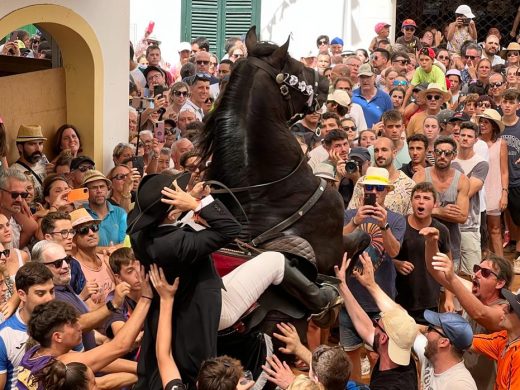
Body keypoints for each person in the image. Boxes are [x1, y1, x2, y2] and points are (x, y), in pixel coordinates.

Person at [421, 228, 513, 389]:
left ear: (499, 283)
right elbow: (435, 271)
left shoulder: (504, 309)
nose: (476, 274)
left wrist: (452, 279)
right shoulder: (473, 292)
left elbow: (481, 313)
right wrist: (431, 242)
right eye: (477, 269)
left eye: (485, 272)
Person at [342, 167, 406, 381]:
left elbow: (395, 251)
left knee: (379, 357)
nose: (374, 192)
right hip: (350, 298)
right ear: (363, 191)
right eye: (370, 187)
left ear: (387, 191)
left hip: (381, 299)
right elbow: (336, 244)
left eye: (379, 188)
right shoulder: (349, 215)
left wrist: (384, 225)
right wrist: (355, 223)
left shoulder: (396, 219)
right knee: (350, 356)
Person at [334, 252, 418, 389]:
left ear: (384, 338)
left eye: (378, 323)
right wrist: (347, 285)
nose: (375, 323)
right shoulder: (405, 360)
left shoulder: (387, 387)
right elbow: (366, 326)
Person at [394, 182, 451, 323]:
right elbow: (383, 257)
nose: (421, 201)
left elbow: (448, 267)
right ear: (411, 201)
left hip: (429, 301)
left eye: (426, 198)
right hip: (399, 299)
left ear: (435, 204)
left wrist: (449, 298)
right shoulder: (399, 224)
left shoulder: (441, 230)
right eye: (417, 197)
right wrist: (395, 263)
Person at [413, 136, 470, 271]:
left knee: (450, 288)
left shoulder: (462, 180)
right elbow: (413, 209)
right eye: (438, 152)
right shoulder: (420, 176)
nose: (442, 156)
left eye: (447, 153)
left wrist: (428, 211)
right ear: (433, 154)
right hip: (422, 245)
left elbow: (462, 217)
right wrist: (438, 211)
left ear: (454, 156)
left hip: (451, 245)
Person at [0, 262, 54, 390]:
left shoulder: (61, 321)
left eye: (52, 291)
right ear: (22, 295)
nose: (49, 299)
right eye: (40, 293)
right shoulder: (5, 336)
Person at [453, 122, 489, 276]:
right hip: (450, 225)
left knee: (472, 274)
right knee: (449, 274)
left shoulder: (481, 163)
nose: (465, 139)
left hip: (470, 225)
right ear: (458, 137)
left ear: (476, 140)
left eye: (469, 136)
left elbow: (468, 192)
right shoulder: (450, 160)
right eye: (463, 135)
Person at [349, 137, 415, 216]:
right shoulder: (363, 182)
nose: (379, 154)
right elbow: (351, 213)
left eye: (384, 150)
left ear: (394, 153)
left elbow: (411, 219)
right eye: (376, 151)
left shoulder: (408, 185)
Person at [415, 310, 477, 389]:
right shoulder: (431, 354)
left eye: (431, 328)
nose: (427, 334)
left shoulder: (460, 385)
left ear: (443, 342)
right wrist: (427, 328)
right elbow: (408, 327)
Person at [477, 109, 508, 256]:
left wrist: (504, 193)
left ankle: (501, 265)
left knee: (495, 229)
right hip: (477, 190)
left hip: (495, 190)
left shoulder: (501, 143)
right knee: (479, 231)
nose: (482, 125)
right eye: (481, 122)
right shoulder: (475, 143)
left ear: (494, 125)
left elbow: (504, 171)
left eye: (486, 122)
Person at [82, 170, 127, 248]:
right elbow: (81, 248)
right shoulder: (81, 214)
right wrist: (108, 250)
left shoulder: (120, 212)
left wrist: (110, 250)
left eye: (102, 187)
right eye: (94, 188)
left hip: (118, 258)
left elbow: (126, 243)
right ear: (86, 192)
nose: (99, 191)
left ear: (107, 189)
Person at [501, 90, 520, 260]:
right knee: (505, 216)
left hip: (517, 178)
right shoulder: (497, 125)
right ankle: (512, 243)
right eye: (505, 102)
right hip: (498, 179)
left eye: (511, 102)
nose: (507, 105)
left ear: (517, 105)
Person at [11, 125, 48, 203]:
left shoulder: (43, 162)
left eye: (40, 143)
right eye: (32, 144)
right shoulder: (14, 171)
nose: (38, 148)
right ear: (20, 147)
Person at [351, 64, 392, 128]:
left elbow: (390, 121)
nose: (365, 80)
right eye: (362, 77)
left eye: (368, 77)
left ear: (375, 77)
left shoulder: (385, 98)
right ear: (358, 78)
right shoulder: (352, 96)